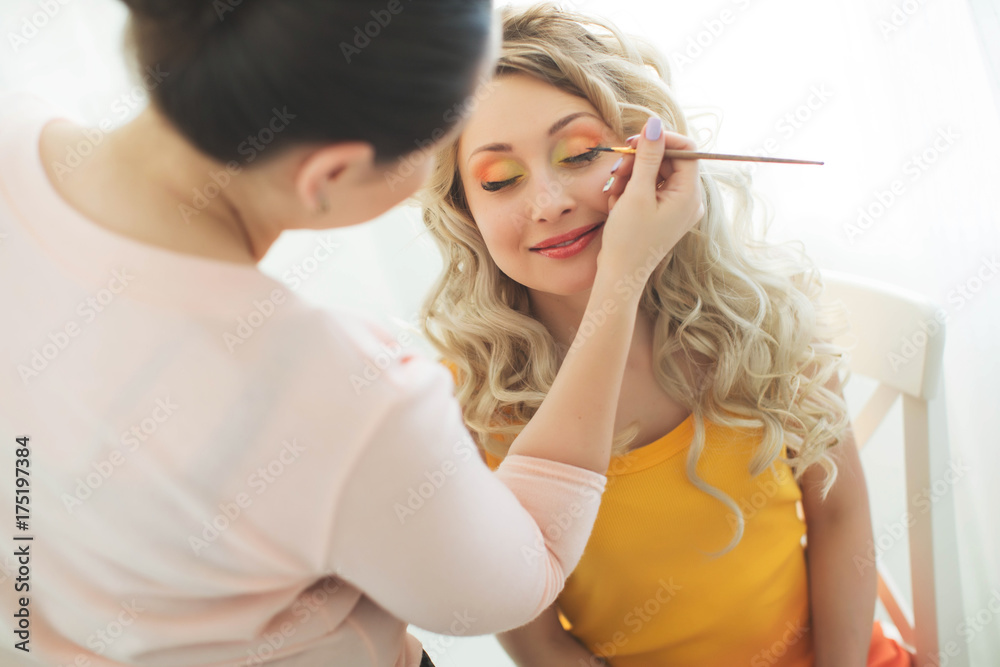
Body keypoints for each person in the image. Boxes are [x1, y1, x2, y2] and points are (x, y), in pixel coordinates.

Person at [0, 1, 701, 665]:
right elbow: (527, 565)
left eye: (579, 153)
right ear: (330, 173)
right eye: (454, 152)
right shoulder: (344, 399)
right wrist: (620, 280)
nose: (548, 201)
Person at [418, 4, 917, 666]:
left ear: (652, 159)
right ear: (464, 213)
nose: (548, 200)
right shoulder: (468, 405)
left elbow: (841, 518)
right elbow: (541, 645)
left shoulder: (764, 318)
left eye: (580, 153)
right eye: (500, 178)